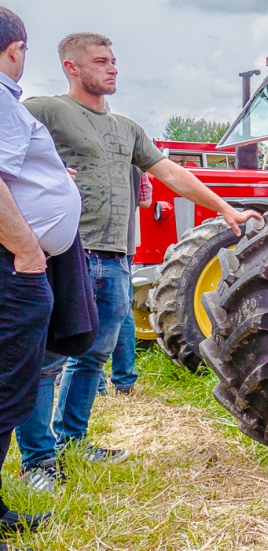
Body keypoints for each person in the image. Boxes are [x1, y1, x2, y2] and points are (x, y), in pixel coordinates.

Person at [15, 32, 261, 491]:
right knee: (46, 361)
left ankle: (72, 439)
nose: (112, 68)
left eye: (113, 61)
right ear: (72, 67)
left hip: (116, 256)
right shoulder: (45, 110)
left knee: (94, 356)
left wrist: (225, 209)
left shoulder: (127, 128)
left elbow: (170, 172)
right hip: (67, 254)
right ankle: (38, 462)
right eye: (101, 61)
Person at [0, 7, 82, 543]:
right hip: (13, 268)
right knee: (7, 390)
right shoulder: (3, 98)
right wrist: (29, 252)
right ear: (16, 48)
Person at [98, 167, 151, 396]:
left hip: (90, 235)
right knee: (123, 305)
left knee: (87, 301)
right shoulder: (133, 146)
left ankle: (95, 381)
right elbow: (146, 200)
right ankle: (124, 379)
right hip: (124, 236)